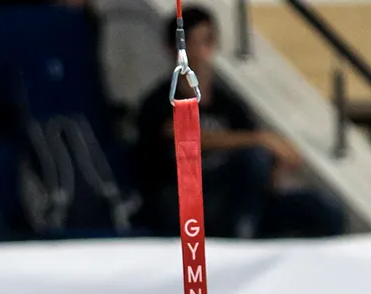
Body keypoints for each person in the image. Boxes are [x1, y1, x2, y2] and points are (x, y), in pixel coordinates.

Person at [133, 5, 344, 240]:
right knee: (251, 158)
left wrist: (276, 165)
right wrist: (259, 141)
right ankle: (242, 243)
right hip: (183, 203)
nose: (202, 52)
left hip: (239, 202)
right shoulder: (159, 101)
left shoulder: (229, 105)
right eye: (194, 43)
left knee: (322, 210)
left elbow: (262, 159)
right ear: (173, 50)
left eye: (209, 41)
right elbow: (181, 137)